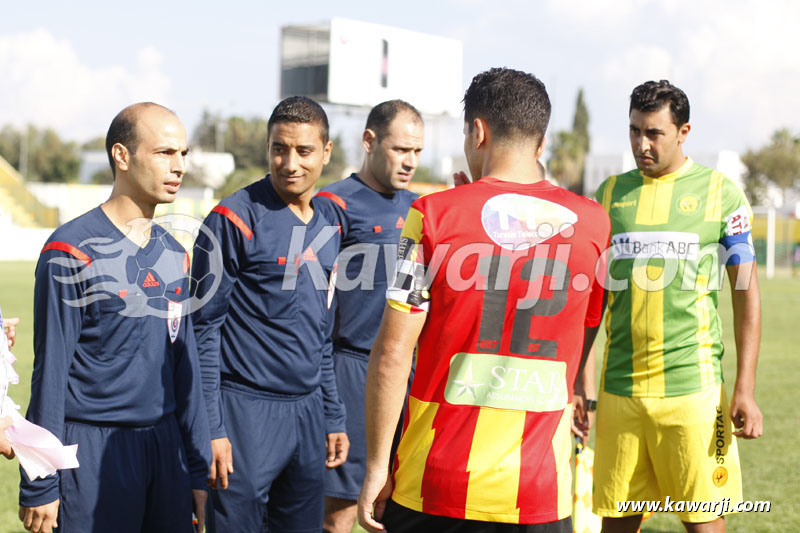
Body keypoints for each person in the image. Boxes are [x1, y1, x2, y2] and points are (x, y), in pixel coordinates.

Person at [357, 67, 610, 532]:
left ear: (478, 131)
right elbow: (584, 327)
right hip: (540, 490)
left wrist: (376, 466)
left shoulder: (431, 215)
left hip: (435, 482)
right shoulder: (595, 223)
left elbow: (393, 353)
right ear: (542, 140)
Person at [20, 102, 211, 533]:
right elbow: (49, 374)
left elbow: (187, 373)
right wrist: (40, 480)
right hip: (91, 450)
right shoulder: (70, 251)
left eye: (183, 154)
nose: (179, 166)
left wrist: (196, 469)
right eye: (165, 153)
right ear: (121, 156)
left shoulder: (175, 256)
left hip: (165, 451)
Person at [591, 80, 763, 533]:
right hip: (618, 389)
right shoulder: (609, 195)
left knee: (704, 522)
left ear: (683, 131)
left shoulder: (720, 194)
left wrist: (744, 386)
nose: (641, 145)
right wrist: (578, 382)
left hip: (694, 392)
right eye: (633, 131)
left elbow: (746, 293)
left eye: (654, 133)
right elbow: (592, 298)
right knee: (616, 523)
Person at [191, 96, 349, 532]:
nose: (290, 163)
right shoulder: (231, 219)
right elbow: (203, 332)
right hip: (245, 411)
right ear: (267, 148)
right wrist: (213, 427)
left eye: (304, 151)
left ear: (327, 152)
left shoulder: (330, 222)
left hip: (308, 410)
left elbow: (320, 329)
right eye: (279, 148)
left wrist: (333, 414)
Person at [316, 100, 424, 533]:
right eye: (401, 149)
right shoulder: (334, 203)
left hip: (410, 374)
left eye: (417, 151)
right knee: (340, 512)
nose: (410, 161)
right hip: (353, 370)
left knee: (403, 504)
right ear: (369, 141)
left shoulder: (422, 208)